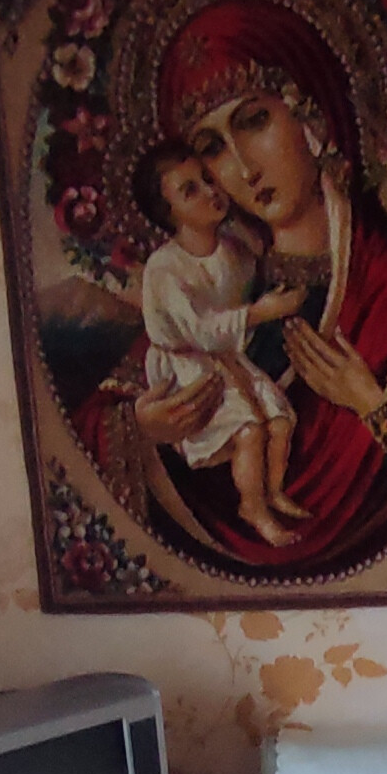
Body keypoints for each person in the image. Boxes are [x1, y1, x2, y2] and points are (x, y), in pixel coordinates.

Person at [74, 0, 387, 574]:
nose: (243, 167)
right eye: (212, 149)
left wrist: (371, 405)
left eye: (254, 121)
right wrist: (145, 427)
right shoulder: (218, 282)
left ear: (312, 117)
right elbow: (96, 426)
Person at [132, 144, 308, 546]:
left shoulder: (232, 247)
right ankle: (253, 507)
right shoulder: (165, 269)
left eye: (208, 179)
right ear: (169, 213)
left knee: (280, 419)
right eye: (190, 190)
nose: (211, 191)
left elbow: (248, 283)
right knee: (248, 430)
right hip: (189, 367)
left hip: (229, 355)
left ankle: (274, 492)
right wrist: (260, 313)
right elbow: (201, 331)